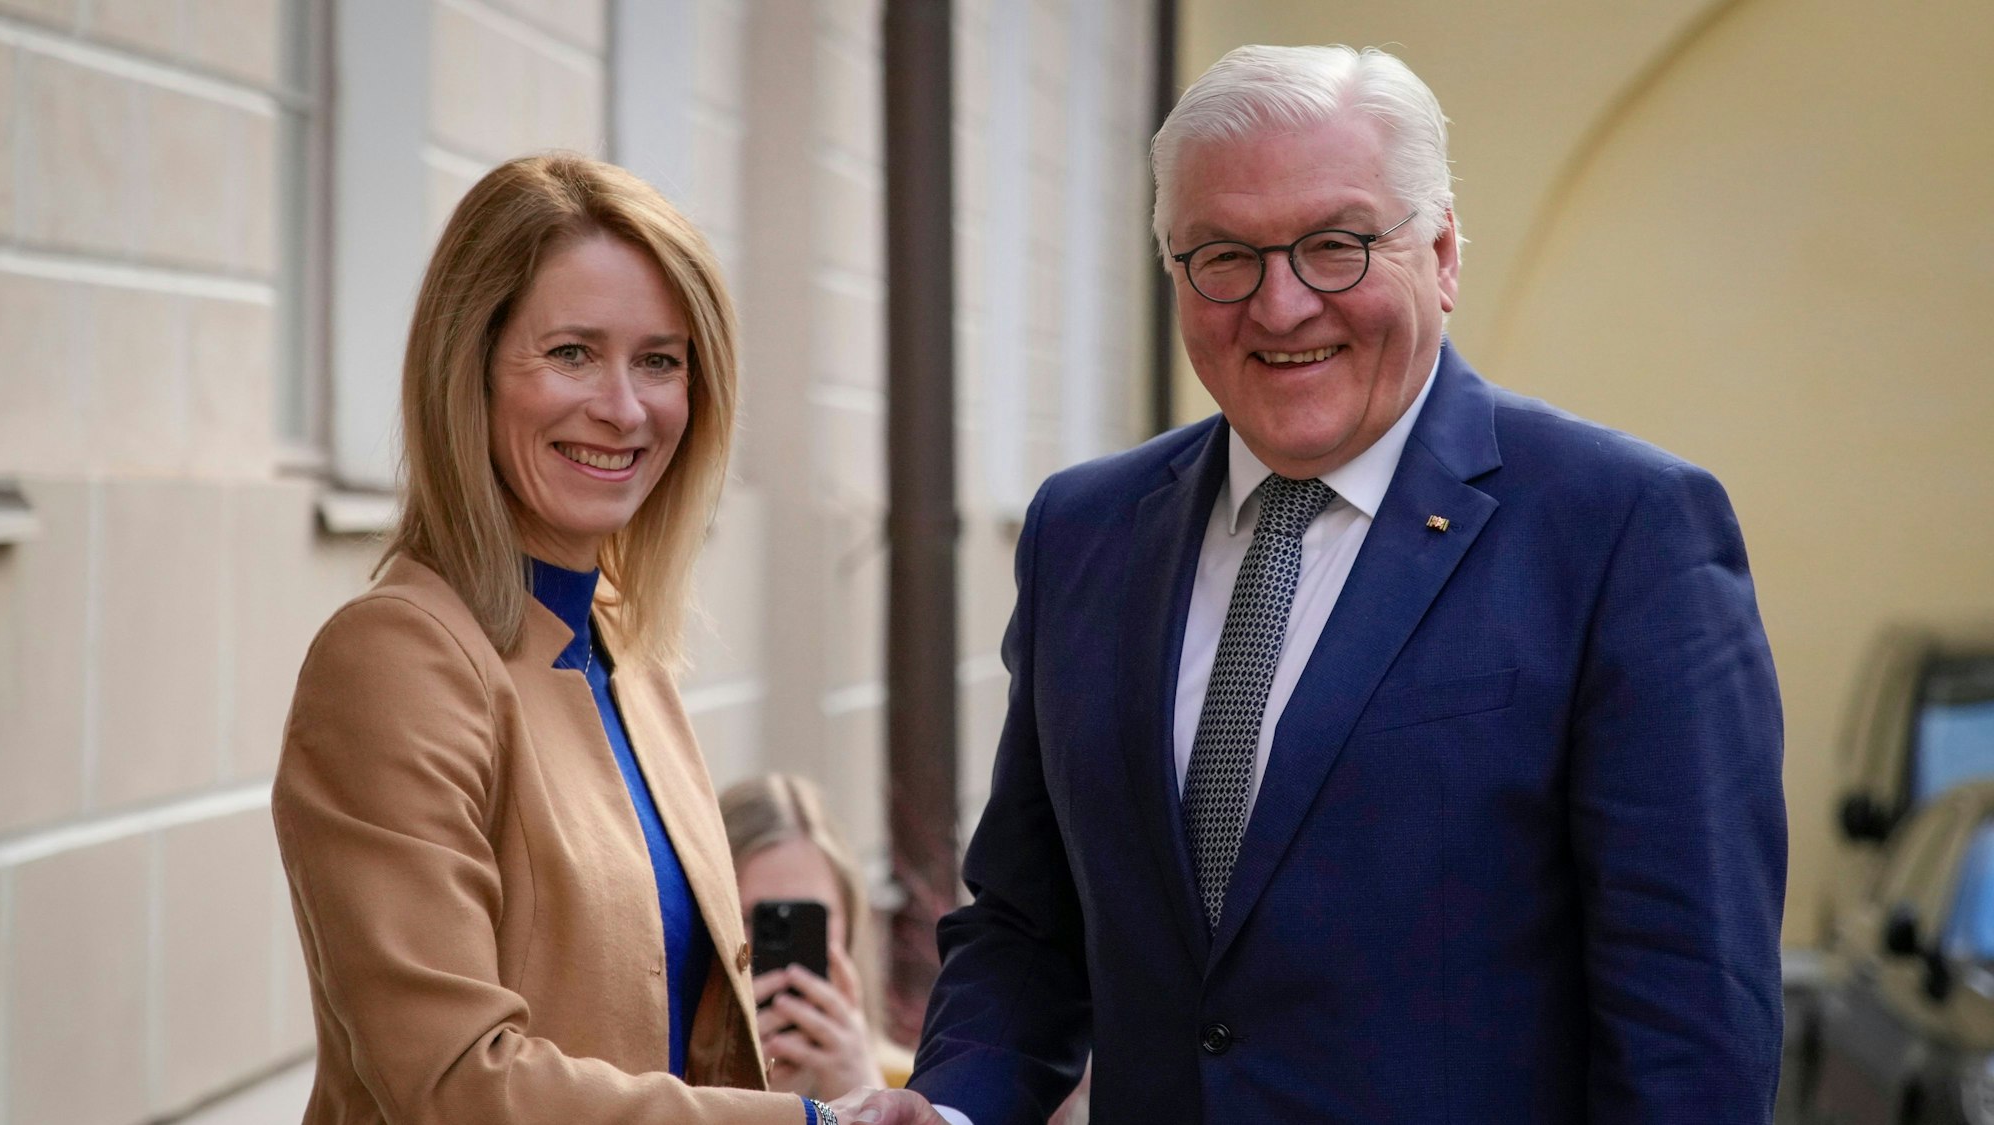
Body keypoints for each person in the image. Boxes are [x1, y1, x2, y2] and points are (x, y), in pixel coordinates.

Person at [847, 44, 1786, 1125]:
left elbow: (1687, 1020)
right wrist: (952, 1108)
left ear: (1438, 256)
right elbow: (1026, 925)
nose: (1280, 305)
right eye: (1222, 256)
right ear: (1174, 273)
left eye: (1335, 245)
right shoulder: (1085, 532)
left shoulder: (1619, 530)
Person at [273, 154, 849, 1125]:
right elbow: (457, 1083)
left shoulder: (627, 655)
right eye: (572, 352)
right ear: (473, 366)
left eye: (659, 360)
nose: (623, 409)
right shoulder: (396, 662)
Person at [721, 774, 916, 1101]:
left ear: (850, 923)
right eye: (749, 918)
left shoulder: (913, 1086)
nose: (781, 942)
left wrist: (865, 1098)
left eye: (807, 917)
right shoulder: (662, 1091)